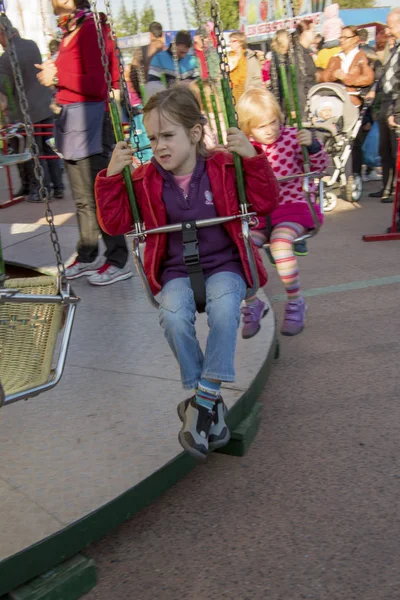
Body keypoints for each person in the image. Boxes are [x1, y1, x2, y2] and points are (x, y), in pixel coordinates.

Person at [94, 86, 280, 459]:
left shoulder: (225, 168)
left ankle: (201, 402)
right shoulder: (145, 180)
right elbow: (114, 224)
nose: (159, 146)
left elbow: (266, 201)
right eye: (152, 138)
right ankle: (208, 403)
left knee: (226, 309)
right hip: (175, 269)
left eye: (168, 135)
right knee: (173, 316)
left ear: (195, 133)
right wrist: (113, 177)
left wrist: (252, 159)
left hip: (225, 264)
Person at [36, 0, 131, 286]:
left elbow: (98, 85)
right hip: (73, 119)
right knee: (82, 199)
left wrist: (58, 76)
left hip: (92, 121)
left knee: (101, 194)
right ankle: (88, 254)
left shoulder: (90, 28)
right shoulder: (70, 30)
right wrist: (57, 77)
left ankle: (118, 259)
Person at [236, 88, 329, 337]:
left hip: (294, 208)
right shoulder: (246, 149)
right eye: (260, 126)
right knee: (241, 248)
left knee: (279, 244)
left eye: (273, 122)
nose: (269, 130)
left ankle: (296, 302)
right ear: (247, 129)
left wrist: (313, 146)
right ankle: (253, 303)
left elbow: (321, 167)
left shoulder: (291, 138)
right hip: (261, 216)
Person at [0, 19, 64, 202]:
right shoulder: (32, 45)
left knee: (33, 152)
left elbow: (4, 89)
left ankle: (41, 189)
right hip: (44, 106)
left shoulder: (6, 58)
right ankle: (58, 186)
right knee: (47, 148)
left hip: (26, 112)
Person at [367, 9, 400, 206]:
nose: (387, 30)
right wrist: (374, 89)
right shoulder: (395, 48)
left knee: (397, 152)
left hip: (396, 104)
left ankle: (395, 191)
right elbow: (387, 75)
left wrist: (397, 112)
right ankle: (386, 188)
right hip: (386, 101)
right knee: (385, 150)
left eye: (391, 25)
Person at [320, 26, 374, 107]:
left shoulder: (361, 57)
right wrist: (333, 75)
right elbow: (323, 78)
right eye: (341, 37)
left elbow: (368, 78)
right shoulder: (335, 58)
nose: (341, 40)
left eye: (345, 38)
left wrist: (346, 78)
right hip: (336, 101)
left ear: (355, 39)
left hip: (354, 102)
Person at [228, 30, 262, 102]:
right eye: (229, 41)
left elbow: (257, 77)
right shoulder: (227, 58)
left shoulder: (250, 58)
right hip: (232, 95)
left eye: (233, 41)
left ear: (240, 42)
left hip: (247, 95)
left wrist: (252, 87)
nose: (230, 44)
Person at [315, 3, 342, 69]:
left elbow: (323, 32)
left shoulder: (326, 22)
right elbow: (342, 28)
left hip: (327, 42)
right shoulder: (339, 20)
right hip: (337, 40)